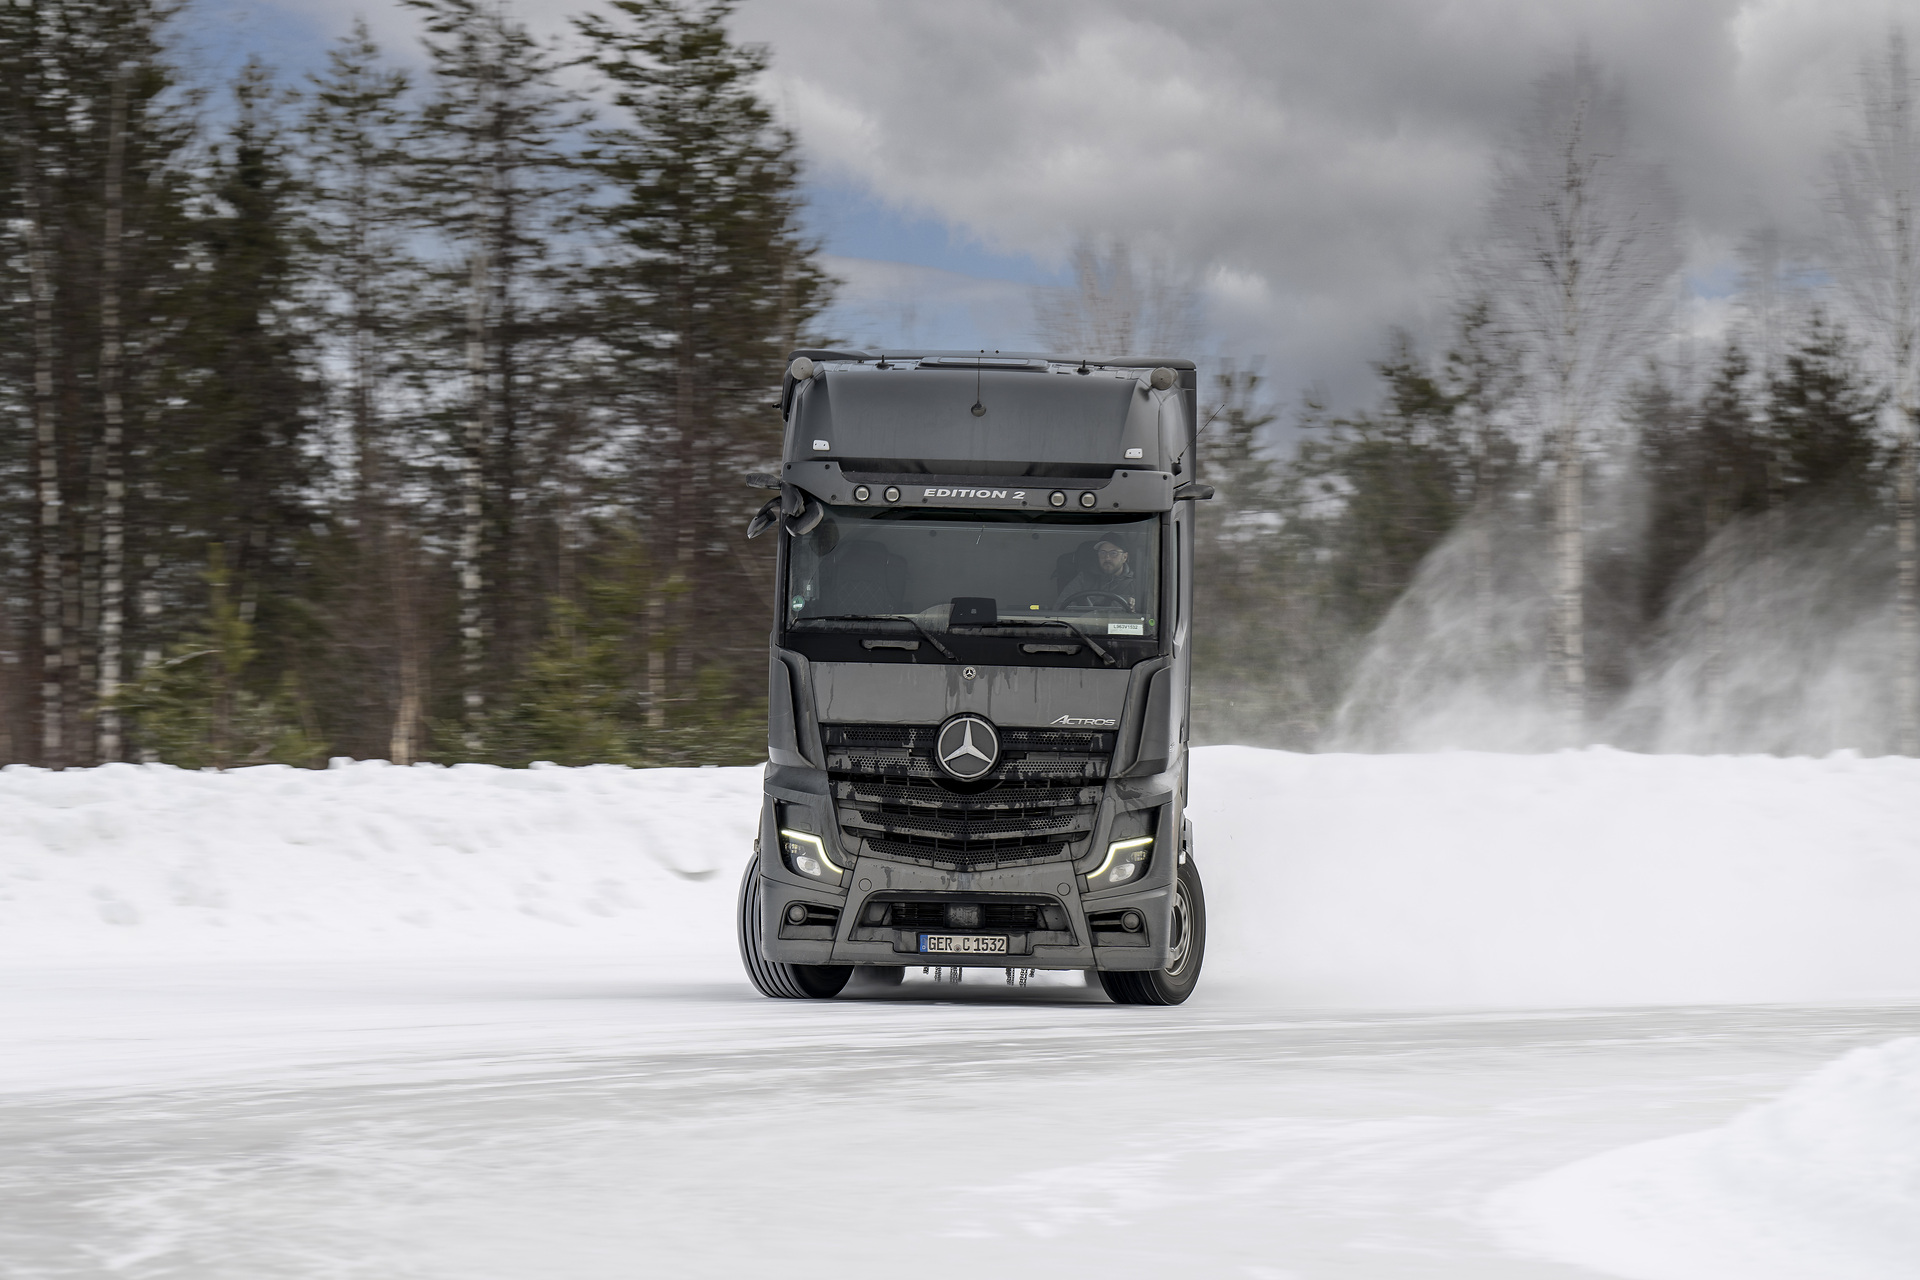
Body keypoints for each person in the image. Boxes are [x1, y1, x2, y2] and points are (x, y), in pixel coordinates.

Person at [1056, 539, 1138, 610]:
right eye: (1102, 553)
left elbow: (1141, 618)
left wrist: (1133, 607)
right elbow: (1059, 606)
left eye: (1113, 553)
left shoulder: (1135, 584)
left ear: (1124, 557)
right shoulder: (1083, 578)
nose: (1107, 558)